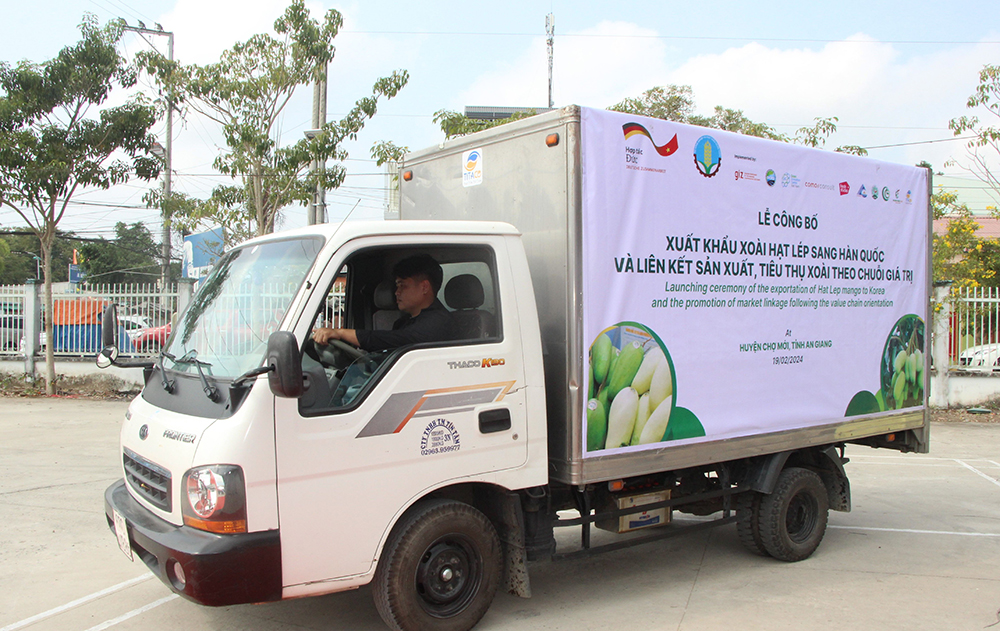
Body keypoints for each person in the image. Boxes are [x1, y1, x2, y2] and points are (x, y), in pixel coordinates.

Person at [313, 253, 453, 353]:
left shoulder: (438, 322)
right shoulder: (404, 322)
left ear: (424, 287)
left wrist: (341, 333)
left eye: (402, 285)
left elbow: (394, 340)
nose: (397, 292)